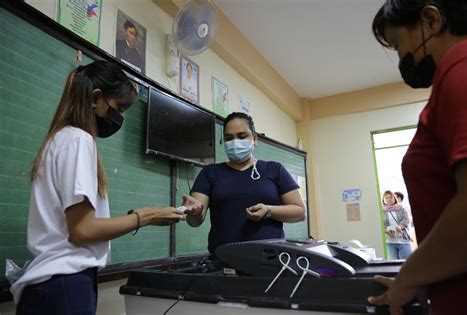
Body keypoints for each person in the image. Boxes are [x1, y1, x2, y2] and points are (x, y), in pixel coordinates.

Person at [10, 61, 199, 314]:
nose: (117, 119)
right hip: (65, 282)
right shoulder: (78, 139)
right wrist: (147, 216)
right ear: (95, 98)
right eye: (117, 108)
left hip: (52, 284)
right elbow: (83, 230)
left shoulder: (60, 139)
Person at [369, 0, 467, 313]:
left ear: (430, 20)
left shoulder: (463, 68)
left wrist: (411, 274)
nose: (402, 58)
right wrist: (422, 274)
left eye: (399, 44)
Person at [184, 112, 306, 253]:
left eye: (242, 136)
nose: (235, 142)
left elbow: (300, 212)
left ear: (254, 138)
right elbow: (194, 221)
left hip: (269, 260)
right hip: (224, 260)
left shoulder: (274, 169)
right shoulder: (210, 173)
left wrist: (269, 210)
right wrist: (193, 213)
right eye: (229, 138)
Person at [381, 190, 412, 260]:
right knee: (393, 264)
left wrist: (400, 226)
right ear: (383, 200)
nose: (389, 199)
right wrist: (386, 231)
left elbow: (407, 219)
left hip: (403, 240)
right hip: (390, 241)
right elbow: (380, 224)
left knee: (406, 262)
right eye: (386, 198)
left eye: (390, 197)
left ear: (394, 198)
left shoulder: (401, 208)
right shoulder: (381, 211)